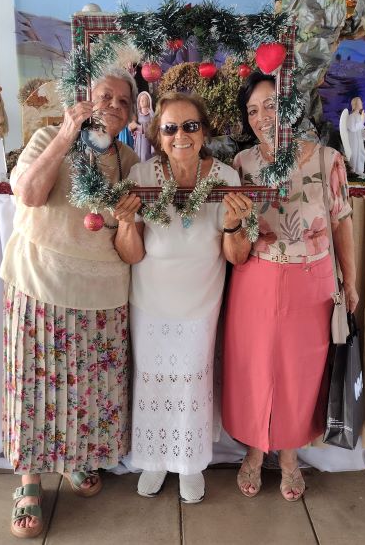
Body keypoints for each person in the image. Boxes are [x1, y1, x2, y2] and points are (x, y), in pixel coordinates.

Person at [0, 67, 140, 538]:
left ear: (130, 114)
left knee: (87, 389)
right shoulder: (47, 138)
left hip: (102, 296)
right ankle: (29, 481)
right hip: (39, 282)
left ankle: (76, 460)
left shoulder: (128, 160)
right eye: (105, 96)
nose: (113, 105)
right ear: (86, 98)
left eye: (123, 101)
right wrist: (65, 133)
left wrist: (127, 220)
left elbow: (128, 244)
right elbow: (27, 194)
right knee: (33, 388)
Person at [222, 72, 359, 502]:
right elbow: (235, 233)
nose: (262, 116)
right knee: (254, 367)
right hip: (255, 278)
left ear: (289, 107)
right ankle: (252, 451)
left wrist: (352, 281)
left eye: (270, 105)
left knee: (300, 372)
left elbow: (342, 222)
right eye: (252, 110)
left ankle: (288, 457)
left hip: (312, 282)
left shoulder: (327, 160)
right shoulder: (241, 165)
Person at [113, 91, 253, 504]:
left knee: (192, 381)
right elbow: (131, 254)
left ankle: (190, 462)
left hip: (200, 304)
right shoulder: (140, 174)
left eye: (190, 126)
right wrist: (125, 223)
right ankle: (154, 458)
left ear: (204, 131)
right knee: (152, 380)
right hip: (149, 303)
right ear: (158, 135)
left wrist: (234, 225)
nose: (180, 136)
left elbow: (237, 257)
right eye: (170, 128)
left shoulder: (225, 177)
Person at [346, 96, 365, 179]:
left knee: (361, 154)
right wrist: (361, 121)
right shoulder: (351, 116)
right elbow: (352, 128)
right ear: (355, 104)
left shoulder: (358, 116)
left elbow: (360, 130)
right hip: (353, 142)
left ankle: (359, 171)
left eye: (361, 102)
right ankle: (353, 172)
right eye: (360, 102)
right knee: (354, 155)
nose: (361, 104)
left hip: (359, 142)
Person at [131, 91, 155, 161]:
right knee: (138, 154)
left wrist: (138, 127)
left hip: (146, 139)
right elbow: (133, 127)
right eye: (141, 100)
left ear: (148, 101)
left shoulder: (151, 114)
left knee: (144, 155)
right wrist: (132, 129)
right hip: (138, 138)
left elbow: (153, 127)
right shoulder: (138, 114)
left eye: (144, 100)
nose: (142, 101)